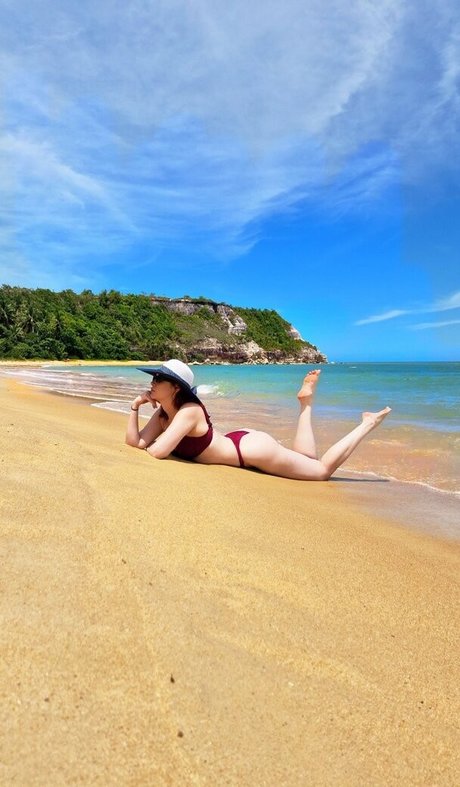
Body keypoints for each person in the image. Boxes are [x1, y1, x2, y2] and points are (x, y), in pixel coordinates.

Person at [125, 359, 391, 481]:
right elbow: (136, 442)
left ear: (175, 388)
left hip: (250, 451)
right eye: (153, 377)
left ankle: (366, 423)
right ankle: (306, 404)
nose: (152, 382)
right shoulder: (164, 414)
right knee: (306, 458)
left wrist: (152, 440)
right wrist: (135, 407)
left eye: (158, 379)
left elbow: (157, 451)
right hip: (236, 441)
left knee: (321, 471)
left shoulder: (189, 411)